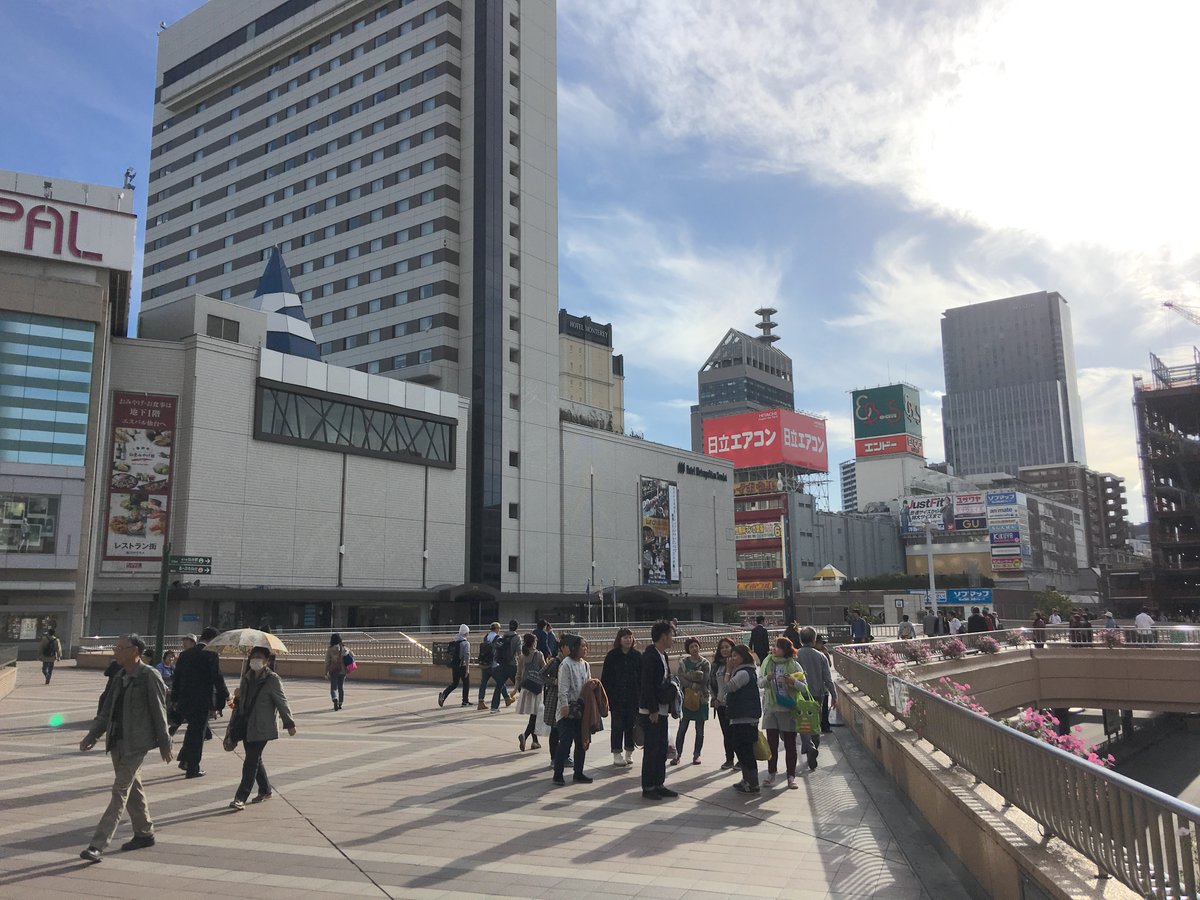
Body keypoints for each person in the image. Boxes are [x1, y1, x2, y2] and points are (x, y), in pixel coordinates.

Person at [78, 634, 173, 863]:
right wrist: (93, 735)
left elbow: (160, 712)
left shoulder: (150, 675)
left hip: (136, 743)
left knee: (120, 790)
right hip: (117, 740)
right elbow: (107, 709)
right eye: (116, 647)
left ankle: (98, 844)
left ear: (135, 651)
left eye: (121, 648)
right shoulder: (120, 675)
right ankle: (144, 832)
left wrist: (165, 743)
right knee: (133, 788)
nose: (116, 651)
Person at [227, 646, 296, 810]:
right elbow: (242, 702)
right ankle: (265, 790)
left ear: (267, 661)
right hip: (246, 724)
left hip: (262, 726)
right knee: (255, 759)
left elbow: (281, 701)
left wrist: (289, 723)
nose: (255, 660)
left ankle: (240, 797)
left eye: (259, 657)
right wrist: (237, 697)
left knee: (250, 761)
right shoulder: (247, 677)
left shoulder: (272, 679)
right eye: (253, 656)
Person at [171, 626, 228, 779]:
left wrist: (175, 699)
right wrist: (224, 698)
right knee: (197, 735)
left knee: (192, 731)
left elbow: (176, 678)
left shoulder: (185, 654)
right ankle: (192, 768)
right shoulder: (210, 654)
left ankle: (185, 760)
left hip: (185, 700)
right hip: (202, 701)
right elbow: (217, 678)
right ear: (213, 639)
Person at [759, 636, 810, 789]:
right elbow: (760, 683)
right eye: (773, 646)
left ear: (786, 650)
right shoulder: (767, 663)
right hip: (771, 707)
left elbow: (805, 687)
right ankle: (771, 773)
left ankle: (791, 776)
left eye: (778, 646)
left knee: (790, 743)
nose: (774, 649)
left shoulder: (794, 665)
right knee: (772, 744)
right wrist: (767, 678)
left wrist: (792, 682)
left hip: (788, 708)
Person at [638, 620, 678, 800]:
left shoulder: (663, 655)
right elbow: (646, 685)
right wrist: (653, 709)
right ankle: (648, 786)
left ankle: (659, 783)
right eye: (671, 635)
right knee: (652, 749)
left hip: (661, 709)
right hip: (651, 711)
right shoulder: (650, 656)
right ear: (663, 636)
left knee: (662, 748)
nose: (673, 639)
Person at [719, 643, 763, 794]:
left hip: (745, 717)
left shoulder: (743, 673)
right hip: (740, 716)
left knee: (746, 751)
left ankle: (753, 783)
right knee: (740, 748)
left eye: (735, 656)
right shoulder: (743, 671)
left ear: (743, 657)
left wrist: (728, 671)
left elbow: (729, 687)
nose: (732, 658)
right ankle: (746, 780)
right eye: (732, 656)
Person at [552, 634, 593, 785]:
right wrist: (564, 706)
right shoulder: (566, 664)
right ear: (575, 648)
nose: (585, 649)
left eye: (586, 646)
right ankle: (558, 773)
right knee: (565, 741)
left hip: (581, 709)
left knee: (582, 741)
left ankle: (578, 772)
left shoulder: (585, 664)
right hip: (568, 710)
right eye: (583, 646)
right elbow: (563, 688)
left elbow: (587, 685)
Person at [600, 627, 641, 767]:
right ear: (619, 639)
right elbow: (605, 678)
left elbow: (642, 678)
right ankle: (617, 753)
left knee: (631, 725)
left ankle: (629, 752)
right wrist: (608, 697)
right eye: (625, 637)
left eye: (630, 637)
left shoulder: (637, 656)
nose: (628, 640)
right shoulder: (612, 656)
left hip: (633, 698)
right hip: (616, 698)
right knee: (617, 726)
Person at [796, 627, 836, 750]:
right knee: (815, 722)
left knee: (803, 721)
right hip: (818, 693)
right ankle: (814, 744)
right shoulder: (821, 656)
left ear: (800, 640)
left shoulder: (795, 655)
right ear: (814, 640)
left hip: (800, 694)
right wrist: (834, 695)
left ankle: (807, 745)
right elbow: (828, 679)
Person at [672, 637, 710, 766]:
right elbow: (680, 678)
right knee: (682, 728)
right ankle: (677, 754)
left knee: (700, 730)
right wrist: (693, 683)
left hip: (701, 698)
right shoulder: (683, 662)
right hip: (686, 698)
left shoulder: (705, 663)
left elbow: (705, 680)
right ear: (688, 649)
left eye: (696, 646)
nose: (694, 648)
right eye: (691, 647)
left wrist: (690, 678)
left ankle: (696, 754)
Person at [709, 637, 738, 770]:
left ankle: (741, 759)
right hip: (721, 704)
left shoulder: (737, 663)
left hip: (734, 703)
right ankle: (729, 759)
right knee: (726, 733)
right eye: (722, 647)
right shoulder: (716, 665)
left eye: (727, 647)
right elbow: (712, 684)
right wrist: (714, 698)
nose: (725, 650)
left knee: (736, 733)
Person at [515, 633, 545, 752]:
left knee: (533, 715)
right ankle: (525, 736)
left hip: (526, 688)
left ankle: (535, 741)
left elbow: (518, 674)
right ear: (533, 642)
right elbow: (544, 669)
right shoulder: (539, 654)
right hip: (536, 688)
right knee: (535, 715)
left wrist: (514, 689)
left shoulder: (522, 656)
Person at [541, 641, 568, 768]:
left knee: (566, 729)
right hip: (554, 697)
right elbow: (541, 674)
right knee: (555, 728)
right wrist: (554, 681)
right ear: (562, 648)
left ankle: (565, 756)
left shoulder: (571, 661)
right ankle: (554, 758)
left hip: (566, 698)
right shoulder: (555, 661)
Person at [438, 624, 472, 707]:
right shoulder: (465, 643)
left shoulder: (455, 642)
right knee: (466, 683)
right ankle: (465, 701)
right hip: (462, 665)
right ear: (465, 633)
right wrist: (467, 668)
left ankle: (444, 694)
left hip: (455, 665)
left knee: (455, 683)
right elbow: (466, 656)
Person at [476, 622, 507, 711]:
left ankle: (480, 702)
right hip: (494, 664)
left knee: (483, 682)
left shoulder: (486, 637)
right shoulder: (498, 638)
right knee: (500, 682)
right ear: (497, 629)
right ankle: (507, 698)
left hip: (484, 663)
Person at [491, 620, 522, 710]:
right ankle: (525, 704)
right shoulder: (517, 638)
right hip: (512, 665)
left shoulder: (503, 636)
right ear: (516, 627)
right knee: (519, 685)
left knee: (499, 686)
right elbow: (519, 653)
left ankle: (494, 707)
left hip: (502, 664)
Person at [325, 633, 348, 711]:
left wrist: (326, 671)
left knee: (333, 687)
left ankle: (335, 698)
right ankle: (340, 703)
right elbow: (351, 656)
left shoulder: (330, 649)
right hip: (343, 670)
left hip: (334, 670)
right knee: (341, 687)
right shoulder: (344, 648)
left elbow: (327, 661)